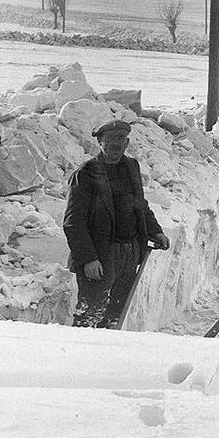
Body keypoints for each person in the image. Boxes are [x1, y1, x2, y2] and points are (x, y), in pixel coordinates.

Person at [63, 120, 171, 329]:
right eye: (110, 139)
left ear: (127, 142)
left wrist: (155, 231)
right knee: (90, 314)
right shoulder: (86, 173)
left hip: (130, 253)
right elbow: (73, 222)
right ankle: (81, 356)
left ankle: (107, 357)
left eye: (120, 139)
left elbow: (139, 204)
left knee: (115, 315)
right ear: (100, 142)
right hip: (101, 255)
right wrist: (88, 259)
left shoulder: (131, 166)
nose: (116, 144)